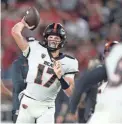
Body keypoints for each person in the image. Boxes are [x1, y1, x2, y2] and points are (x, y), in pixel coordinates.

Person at [11, 15, 79, 123]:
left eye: (56, 38)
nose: (53, 40)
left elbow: (71, 93)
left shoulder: (70, 62)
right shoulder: (35, 48)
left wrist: (60, 77)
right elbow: (15, 33)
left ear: (62, 41)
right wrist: (23, 23)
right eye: (50, 37)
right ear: (46, 38)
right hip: (28, 102)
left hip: (47, 107)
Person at [66, 41, 119, 122]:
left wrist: (73, 110)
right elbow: (81, 87)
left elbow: (81, 86)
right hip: (97, 112)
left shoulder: (102, 71)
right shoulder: (100, 71)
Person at [11, 54, 28, 123]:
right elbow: (18, 85)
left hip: (37, 107)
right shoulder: (18, 63)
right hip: (19, 106)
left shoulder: (39, 61)